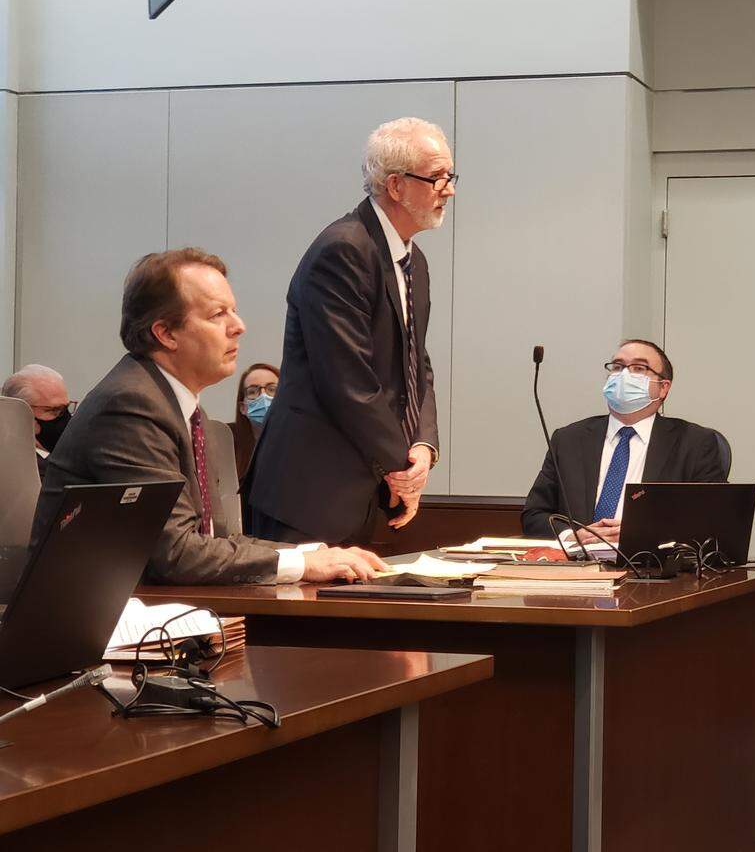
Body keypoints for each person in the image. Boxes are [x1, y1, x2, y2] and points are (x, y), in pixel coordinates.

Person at [30, 247, 386, 585]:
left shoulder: (177, 406)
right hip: (93, 636)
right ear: (166, 333)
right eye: (218, 314)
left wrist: (313, 554)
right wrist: (302, 564)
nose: (239, 326)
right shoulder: (130, 405)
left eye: (234, 310)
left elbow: (218, 539)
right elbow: (175, 552)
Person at [246, 117, 452, 545]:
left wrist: (423, 448)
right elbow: (347, 381)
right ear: (395, 186)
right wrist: (402, 469)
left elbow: (417, 365)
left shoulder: (416, 262)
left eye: (450, 176)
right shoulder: (343, 249)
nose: (448, 189)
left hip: (362, 489)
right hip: (307, 493)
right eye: (436, 178)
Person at [521, 339, 729, 542]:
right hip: (578, 567)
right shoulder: (568, 440)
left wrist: (642, 533)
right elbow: (534, 515)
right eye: (618, 366)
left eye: (639, 368)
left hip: (652, 568)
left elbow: (711, 520)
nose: (624, 375)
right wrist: (573, 537)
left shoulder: (694, 443)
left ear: (663, 387)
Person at [1, 364, 74, 477]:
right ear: (20, 412)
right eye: (54, 410)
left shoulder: (71, 460)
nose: (66, 418)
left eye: (66, 409)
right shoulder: (16, 471)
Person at [228, 362, 279, 488]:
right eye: (252, 391)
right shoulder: (228, 445)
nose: (263, 397)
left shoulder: (302, 444)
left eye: (272, 389)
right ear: (243, 408)